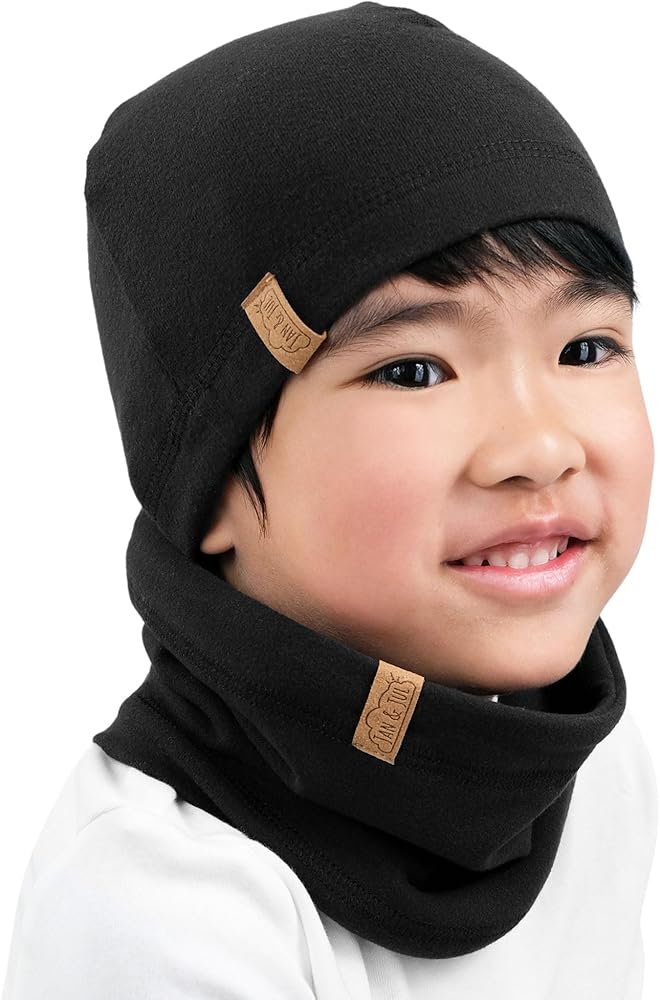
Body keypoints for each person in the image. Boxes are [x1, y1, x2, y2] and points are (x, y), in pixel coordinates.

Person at [2, 3, 657, 997]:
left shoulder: (588, 763)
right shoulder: (160, 903)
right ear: (209, 486)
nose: (539, 447)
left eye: (585, 347)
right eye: (414, 370)